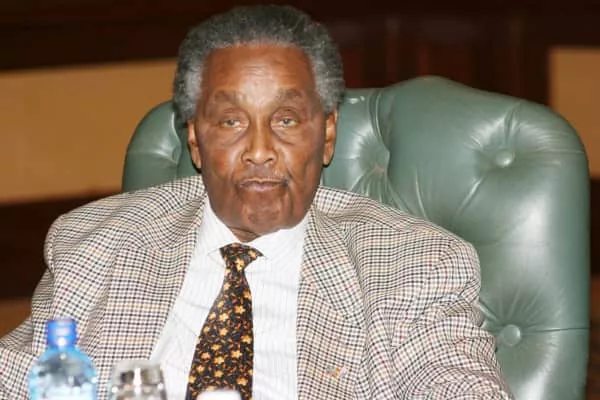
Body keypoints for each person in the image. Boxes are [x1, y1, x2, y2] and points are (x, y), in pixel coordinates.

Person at [0, 4, 513, 400]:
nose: (261, 150)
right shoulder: (96, 243)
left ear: (327, 134)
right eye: (231, 122)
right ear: (195, 139)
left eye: (286, 120)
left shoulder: (410, 262)